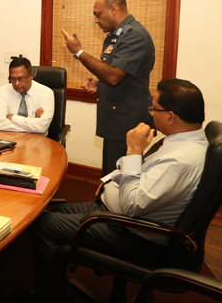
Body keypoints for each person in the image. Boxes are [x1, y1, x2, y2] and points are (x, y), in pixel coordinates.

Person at [28, 79, 207, 303]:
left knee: (43, 225)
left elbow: (133, 206)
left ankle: (53, 297)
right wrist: (109, 181)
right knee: (56, 211)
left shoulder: (180, 160)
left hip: (133, 234)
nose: (150, 113)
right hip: (117, 214)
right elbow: (143, 179)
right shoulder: (187, 144)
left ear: (171, 116)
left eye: (154, 108)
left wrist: (133, 150)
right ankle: (54, 278)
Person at [61, 0, 155, 176]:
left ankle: (108, 205)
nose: (96, 20)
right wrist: (99, 85)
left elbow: (113, 76)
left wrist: (79, 53)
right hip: (117, 116)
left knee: (118, 176)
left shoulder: (134, 35)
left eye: (98, 14)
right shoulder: (117, 35)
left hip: (127, 121)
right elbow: (121, 75)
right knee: (111, 173)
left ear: (113, 9)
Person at [0, 57, 54, 136]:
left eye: (21, 79)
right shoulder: (3, 91)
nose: (17, 83)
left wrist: (13, 117)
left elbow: (42, 127)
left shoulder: (46, 93)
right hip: (9, 139)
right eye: (13, 79)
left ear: (31, 75)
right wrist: (34, 126)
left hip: (36, 142)